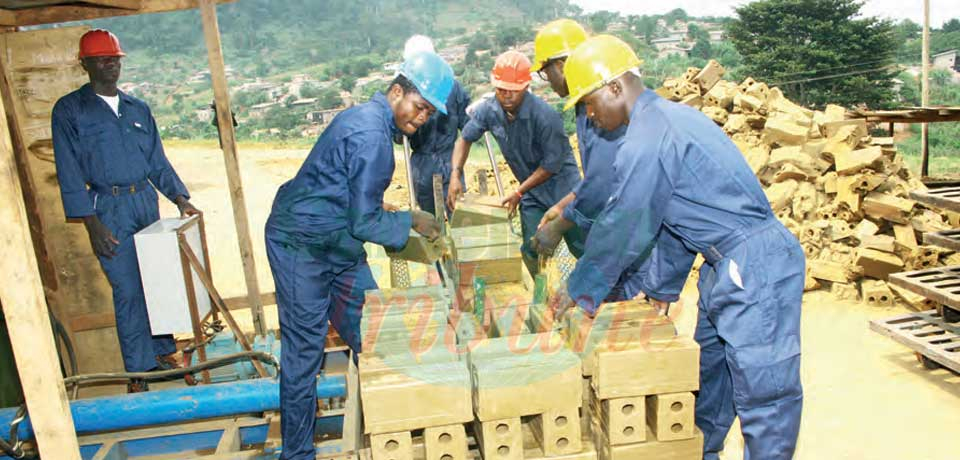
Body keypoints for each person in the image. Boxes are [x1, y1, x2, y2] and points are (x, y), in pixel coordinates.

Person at [551, 35, 804, 460]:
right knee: (713, 376)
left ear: (614, 87)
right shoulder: (659, 122)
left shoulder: (651, 135)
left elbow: (624, 224)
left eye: (589, 103)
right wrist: (664, 290)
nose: (590, 116)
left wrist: (581, 289)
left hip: (755, 264)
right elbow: (670, 224)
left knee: (765, 393)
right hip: (721, 263)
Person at [264, 51, 450, 460]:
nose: (421, 119)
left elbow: (354, 205)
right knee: (304, 353)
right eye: (419, 107)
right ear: (397, 91)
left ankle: (391, 425)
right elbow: (365, 223)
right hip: (301, 245)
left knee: (375, 331)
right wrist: (412, 223)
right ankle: (296, 454)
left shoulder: (372, 125)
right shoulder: (370, 136)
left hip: (339, 245)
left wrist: (404, 218)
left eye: (429, 113)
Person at [52, 29, 200, 393]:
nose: (111, 65)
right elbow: (68, 169)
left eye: (115, 58)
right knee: (128, 289)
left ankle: (163, 351)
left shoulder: (138, 108)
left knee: (156, 281)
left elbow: (157, 162)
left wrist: (180, 198)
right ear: (84, 64)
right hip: (108, 207)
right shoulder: (70, 110)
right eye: (102, 59)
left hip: (144, 202)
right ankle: (139, 370)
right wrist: (91, 223)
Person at [447, 50, 584, 277]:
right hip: (531, 194)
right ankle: (543, 297)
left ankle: (602, 299)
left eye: (513, 91)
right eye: (501, 90)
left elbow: (551, 165)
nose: (506, 96)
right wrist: (455, 174)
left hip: (565, 192)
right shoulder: (489, 110)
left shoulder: (545, 116)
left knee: (583, 248)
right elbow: (465, 138)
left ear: (524, 88)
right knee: (533, 249)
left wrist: (518, 192)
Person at [400, 35, 471, 216]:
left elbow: (468, 127)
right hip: (422, 163)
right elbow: (399, 134)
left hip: (449, 159)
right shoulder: (407, 91)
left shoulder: (452, 87)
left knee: (458, 216)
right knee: (430, 221)